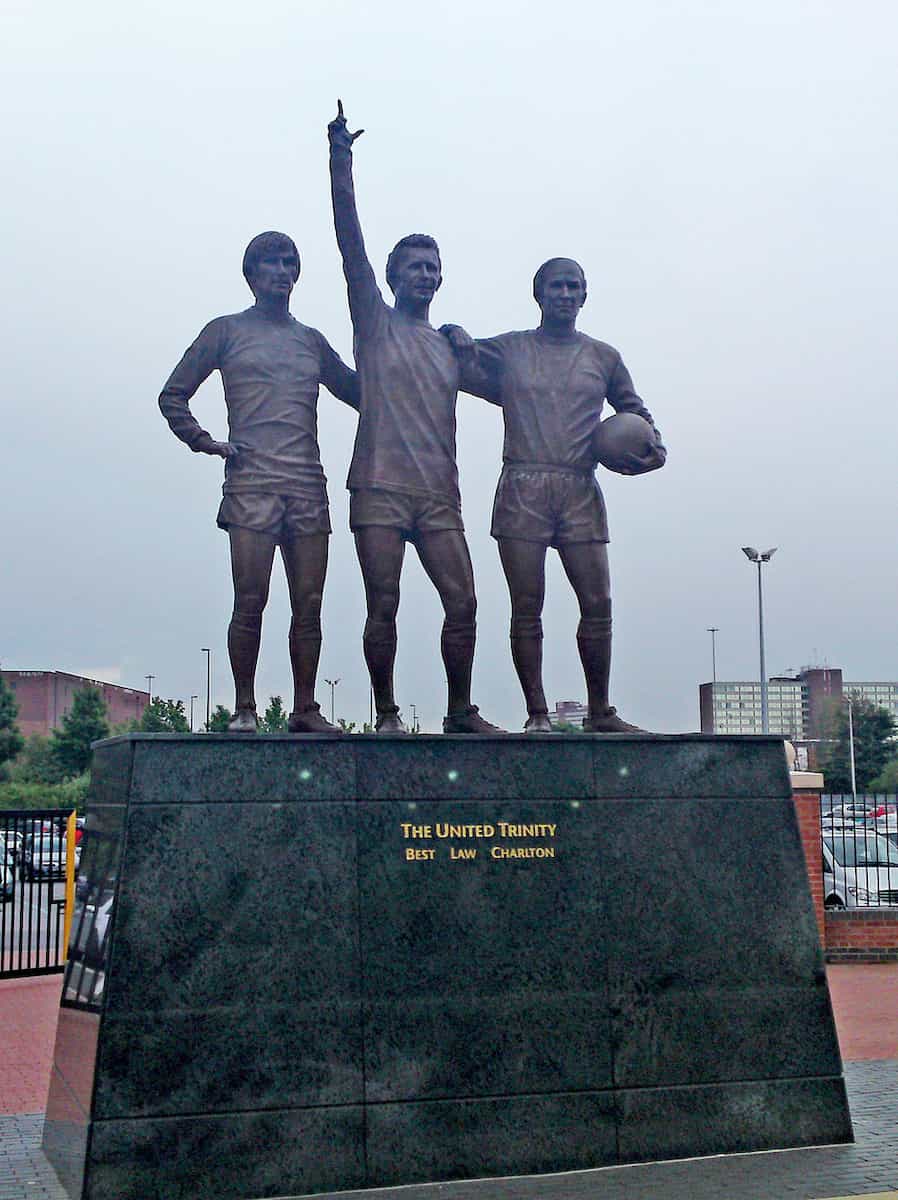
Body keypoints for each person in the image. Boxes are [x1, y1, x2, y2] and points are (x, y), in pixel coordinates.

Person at [328, 101, 501, 734]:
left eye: (434, 268)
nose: (424, 275)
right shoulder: (373, 323)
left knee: (465, 602)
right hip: (377, 487)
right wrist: (341, 159)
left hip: (438, 496)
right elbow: (350, 244)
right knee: (384, 603)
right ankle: (386, 713)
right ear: (395, 275)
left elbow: (519, 392)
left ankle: (459, 711)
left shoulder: (451, 346)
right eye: (414, 267)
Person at [442, 257, 666, 733]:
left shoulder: (605, 358)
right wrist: (454, 330)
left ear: (584, 296)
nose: (565, 294)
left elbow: (636, 412)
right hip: (523, 486)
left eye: (574, 286)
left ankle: (600, 710)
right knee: (527, 604)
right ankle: (537, 713)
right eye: (556, 286)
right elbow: (458, 361)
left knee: (598, 602)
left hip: (579, 487)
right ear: (538, 294)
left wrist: (653, 450)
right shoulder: (511, 350)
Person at [159, 231, 359, 733]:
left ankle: (306, 708)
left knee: (309, 604)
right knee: (251, 598)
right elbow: (174, 394)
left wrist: (396, 358)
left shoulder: (311, 340)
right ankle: (245, 707)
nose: (282, 270)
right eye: (271, 262)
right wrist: (206, 441)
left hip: (308, 485)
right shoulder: (224, 331)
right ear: (251, 274)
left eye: (290, 262)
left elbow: (361, 392)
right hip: (251, 485)